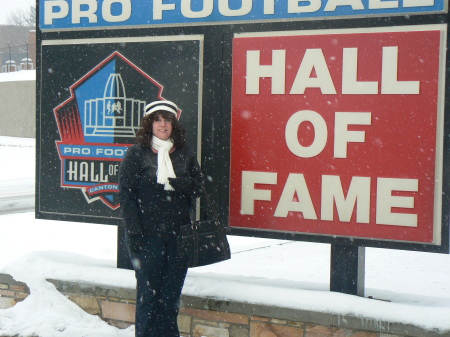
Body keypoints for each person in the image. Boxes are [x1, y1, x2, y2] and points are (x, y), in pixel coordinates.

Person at [119, 100, 204, 337]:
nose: (163, 124)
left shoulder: (184, 152)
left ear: (173, 124)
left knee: (170, 297)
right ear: (150, 124)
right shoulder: (137, 153)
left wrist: (183, 183)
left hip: (178, 237)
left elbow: (198, 187)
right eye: (158, 119)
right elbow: (126, 194)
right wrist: (135, 233)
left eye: (167, 119)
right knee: (148, 297)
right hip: (147, 237)